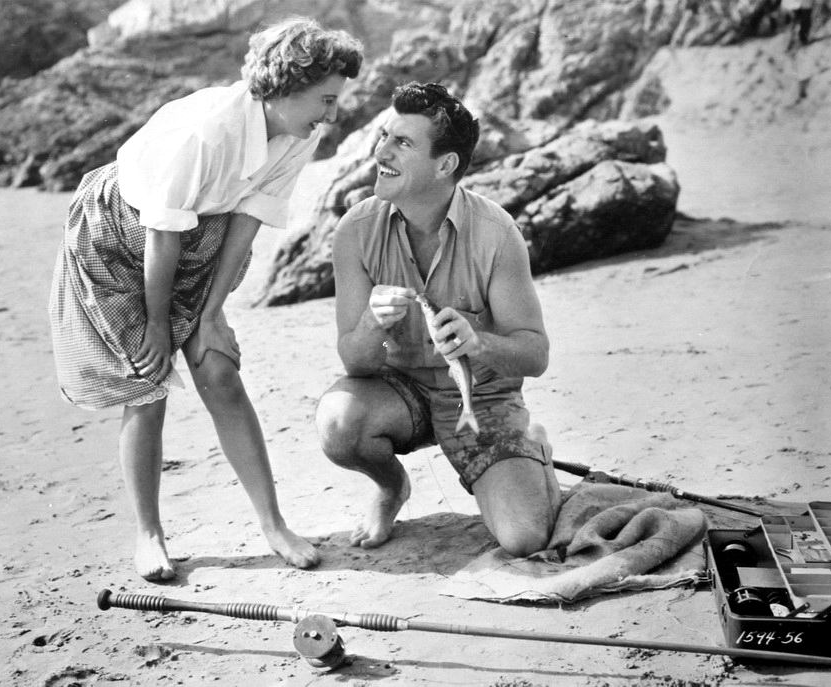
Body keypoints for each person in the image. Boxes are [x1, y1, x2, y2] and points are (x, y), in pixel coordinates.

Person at [48, 17, 363, 581]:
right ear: (290, 85)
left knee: (218, 371)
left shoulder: (300, 133)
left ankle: (274, 525)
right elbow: (160, 233)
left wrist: (212, 314)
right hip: (118, 236)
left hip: (199, 235)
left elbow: (248, 220)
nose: (333, 114)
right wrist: (157, 325)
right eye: (326, 99)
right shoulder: (207, 132)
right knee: (147, 387)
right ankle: (148, 535)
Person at [314, 82, 561, 558]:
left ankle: (531, 452)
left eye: (402, 143)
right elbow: (355, 362)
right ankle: (391, 489)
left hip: (482, 399)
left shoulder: (496, 233)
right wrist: (371, 325)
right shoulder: (355, 230)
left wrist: (479, 343)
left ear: (445, 165)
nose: (380, 152)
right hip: (400, 393)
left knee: (524, 538)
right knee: (338, 424)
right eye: (384, 136)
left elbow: (536, 354)